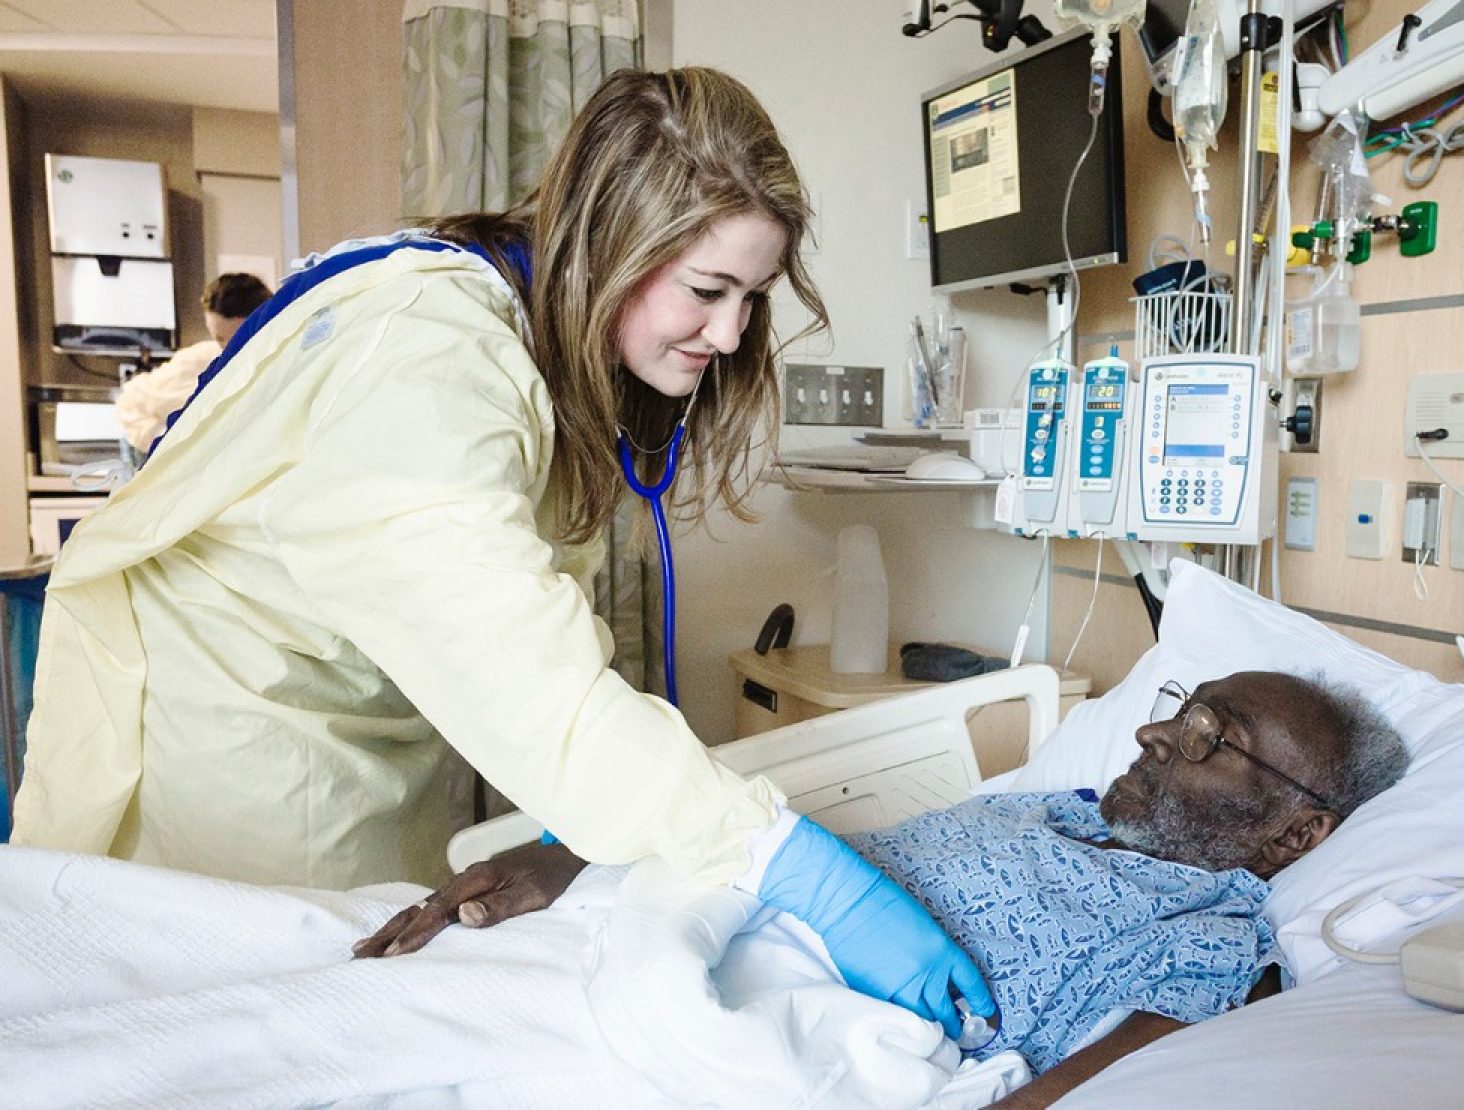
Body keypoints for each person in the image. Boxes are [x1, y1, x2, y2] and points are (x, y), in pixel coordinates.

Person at [13, 68, 991, 1039]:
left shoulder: (526, 342)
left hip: (352, 730)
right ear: (612, 240)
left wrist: (569, 836)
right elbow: (530, 682)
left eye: (753, 296)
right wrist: (800, 870)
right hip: (239, 742)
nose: (732, 334)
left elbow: (529, 626)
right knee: (260, 1036)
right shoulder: (431, 358)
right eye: (707, 289)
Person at [366, 669, 1411, 1103]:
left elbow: (1111, 1087)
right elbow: (769, 853)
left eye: (1209, 737)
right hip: (652, 924)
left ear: (1295, 831)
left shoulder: (1213, 941)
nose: (1152, 729)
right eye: (1179, 706)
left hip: (728, 1040)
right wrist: (580, 849)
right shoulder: (1041, 805)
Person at [114, 272, 273, 453]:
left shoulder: (286, 365)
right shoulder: (197, 362)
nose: (231, 351)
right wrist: (170, 445)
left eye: (243, 340)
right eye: (220, 340)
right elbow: (130, 402)